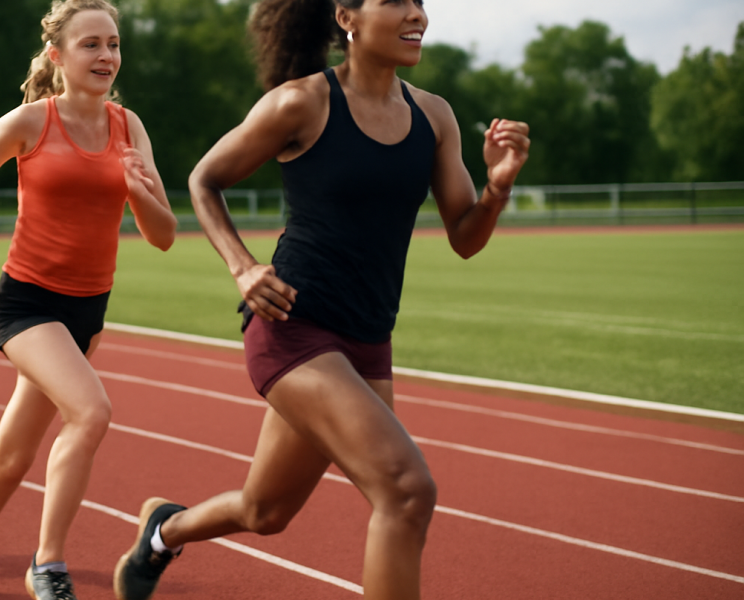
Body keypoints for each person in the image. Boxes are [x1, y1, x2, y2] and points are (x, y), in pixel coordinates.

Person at [114, 1, 531, 599]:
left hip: (367, 339)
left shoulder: (434, 116)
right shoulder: (302, 102)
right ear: (347, 17)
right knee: (406, 489)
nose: (416, 14)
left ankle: (164, 530)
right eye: (396, 2)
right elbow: (205, 178)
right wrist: (244, 267)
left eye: (420, 3)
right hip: (294, 325)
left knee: (266, 511)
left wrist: (496, 186)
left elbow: (466, 236)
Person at [0, 1, 177, 598]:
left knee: (14, 452)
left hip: (87, 309)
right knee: (90, 412)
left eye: (114, 44)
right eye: (91, 44)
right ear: (58, 55)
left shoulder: (130, 126)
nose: (106, 56)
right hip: (27, 303)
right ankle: (48, 567)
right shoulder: (31, 122)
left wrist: (137, 188)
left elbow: (164, 234)